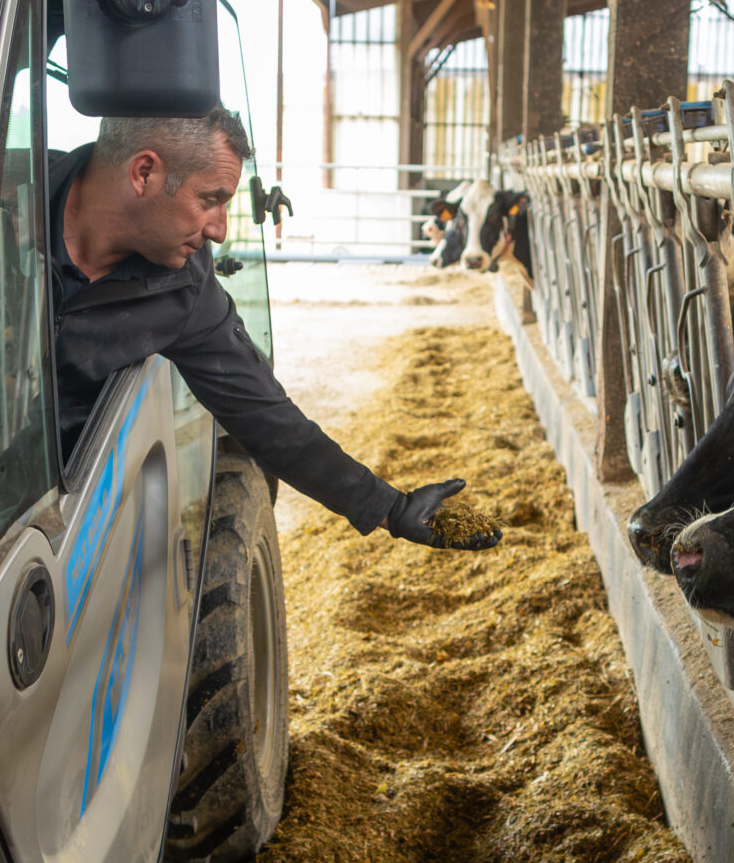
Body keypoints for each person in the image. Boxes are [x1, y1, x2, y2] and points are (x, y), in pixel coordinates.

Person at [46, 109, 496, 550]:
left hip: (60, 519)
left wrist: (392, 508)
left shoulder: (183, 287)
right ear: (144, 173)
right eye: (210, 200)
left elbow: (262, 411)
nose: (219, 231)